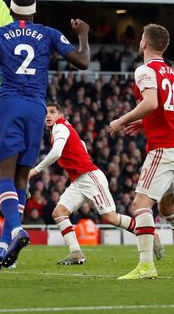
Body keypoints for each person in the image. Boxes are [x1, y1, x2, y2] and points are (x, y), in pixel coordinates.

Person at [0, 0, 90, 274]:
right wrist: (84, 35)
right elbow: (82, 61)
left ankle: (16, 230)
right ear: (34, 11)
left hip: (9, 104)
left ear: (10, 9)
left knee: (3, 175)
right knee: (20, 179)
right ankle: (3, 247)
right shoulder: (49, 33)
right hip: (36, 109)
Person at [109, 24, 174, 279]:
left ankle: (146, 266)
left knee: (140, 205)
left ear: (144, 43)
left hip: (164, 148)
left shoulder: (145, 70)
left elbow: (152, 102)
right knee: (167, 208)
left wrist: (121, 121)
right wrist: (144, 122)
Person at [28, 102, 163, 265]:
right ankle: (76, 253)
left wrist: (36, 170)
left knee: (111, 217)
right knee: (59, 213)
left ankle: (150, 234)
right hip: (79, 180)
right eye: (46, 113)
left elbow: (57, 152)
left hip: (89, 177)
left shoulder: (60, 127)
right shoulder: (64, 128)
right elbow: (82, 145)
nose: (48, 116)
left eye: (52, 112)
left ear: (61, 115)